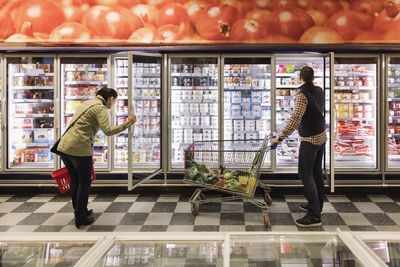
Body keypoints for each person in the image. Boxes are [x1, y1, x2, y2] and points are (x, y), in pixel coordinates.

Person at [57, 87, 136, 229]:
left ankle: (80, 211)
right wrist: (128, 123)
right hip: (79, 149)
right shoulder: (101, 109)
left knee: (75, 181)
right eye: (114, 102)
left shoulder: (87, 103)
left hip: (64, 147)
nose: (113, 105)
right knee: (85, 183)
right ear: (110, 99)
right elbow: (108, 130)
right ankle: (81, 218)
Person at [271, 66, 327, 228]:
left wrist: (280, 137)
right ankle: (317, 205)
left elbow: (296, 118)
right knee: (317, 172)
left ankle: (314, 215)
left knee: (304, 174)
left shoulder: (302, 95)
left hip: (310, 139)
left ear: (300, 78)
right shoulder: (319, 90)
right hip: (321, 136)